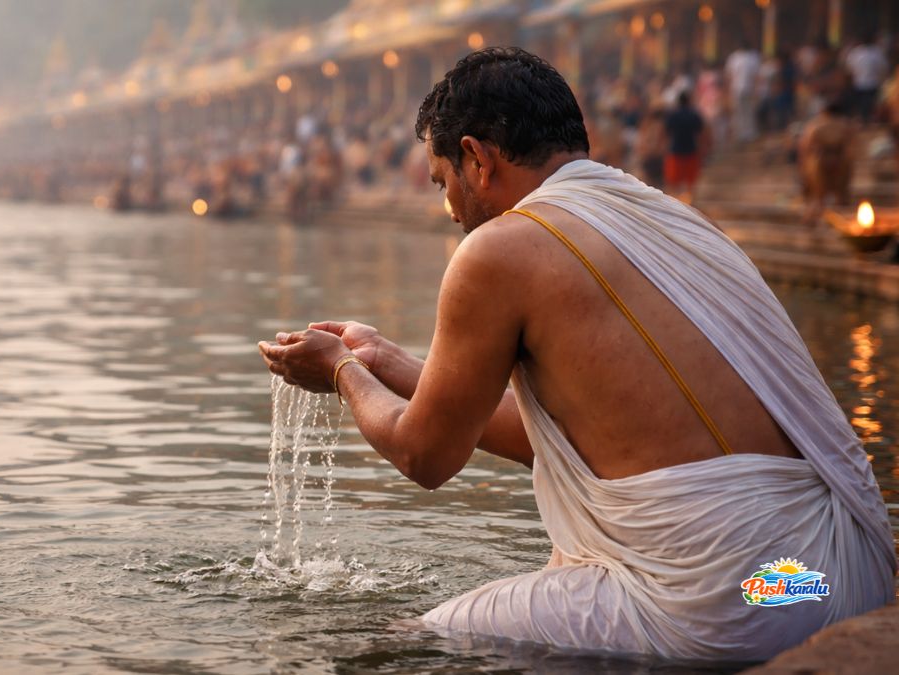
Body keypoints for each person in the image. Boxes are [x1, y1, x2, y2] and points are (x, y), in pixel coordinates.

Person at [258, 47, 894, 662]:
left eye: (442, 181)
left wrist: (340, 373)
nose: (449, 209)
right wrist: (386, 360)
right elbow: (567, 439)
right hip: (822, 580)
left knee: (403, 646)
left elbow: (423, 455)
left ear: (476, 159)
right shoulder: (668, 219)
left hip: (733, 601)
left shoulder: (500, 249)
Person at [798, 97, 857, 225]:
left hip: (820, 162)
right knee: (838, 196)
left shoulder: (815, 126)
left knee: (820, 198)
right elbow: (851, 151)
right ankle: (838, 223)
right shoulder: (845, 125)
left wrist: (804, 171)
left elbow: (805, 149)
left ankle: (816, 220)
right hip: (836, 162)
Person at [663, 90, 708, 202]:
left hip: (675, 151)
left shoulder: (673, 115)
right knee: (690, 184)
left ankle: (674, 204)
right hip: (691, 151)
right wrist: (703, 148)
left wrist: (664, 147)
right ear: (689, 101)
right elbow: (702, 133)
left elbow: (665, 133)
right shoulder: (694, 115)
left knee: (674, 183)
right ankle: (691, 204)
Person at [845, 33, 888, 122]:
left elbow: (849, 69)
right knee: (870, 107)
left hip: (859, 84)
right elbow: (883, 69)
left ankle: (863, 120)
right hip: (873, 84)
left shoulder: (855, 52)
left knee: (862, 107)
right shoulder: (877, 52)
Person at [726, 40, 762, 142]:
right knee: (743, 111)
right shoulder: (740, 57)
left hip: (742, 88)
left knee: (745, 111)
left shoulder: (740, 57)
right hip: (742, 88)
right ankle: (744, 133)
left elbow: (730, 76)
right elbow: (731, 75)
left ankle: (746, 132)